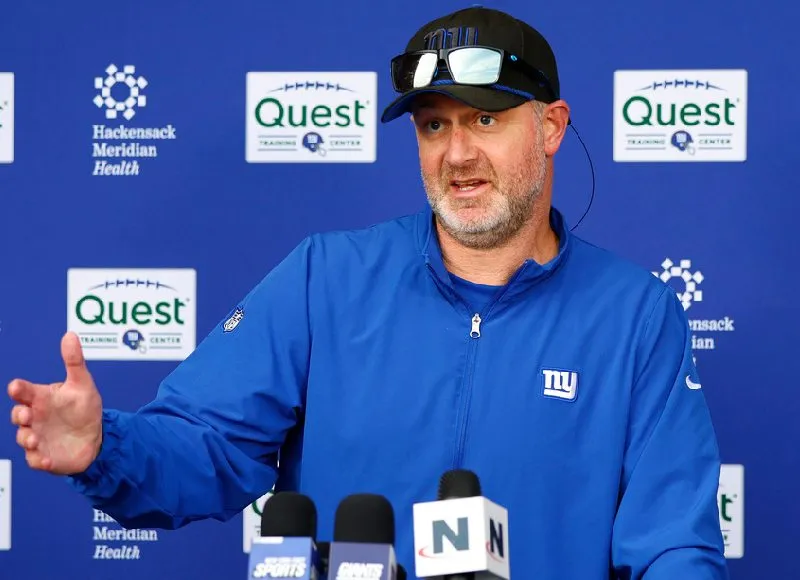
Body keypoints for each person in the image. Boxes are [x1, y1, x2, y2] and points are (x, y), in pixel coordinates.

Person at [7, 6, 728, 579]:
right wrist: (104, 447)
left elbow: (674, 545)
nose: (458, 154)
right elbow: (206, 447)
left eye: (485, 119)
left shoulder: (636, 315)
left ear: (552, 127)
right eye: (434, 125)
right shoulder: (325, 278)